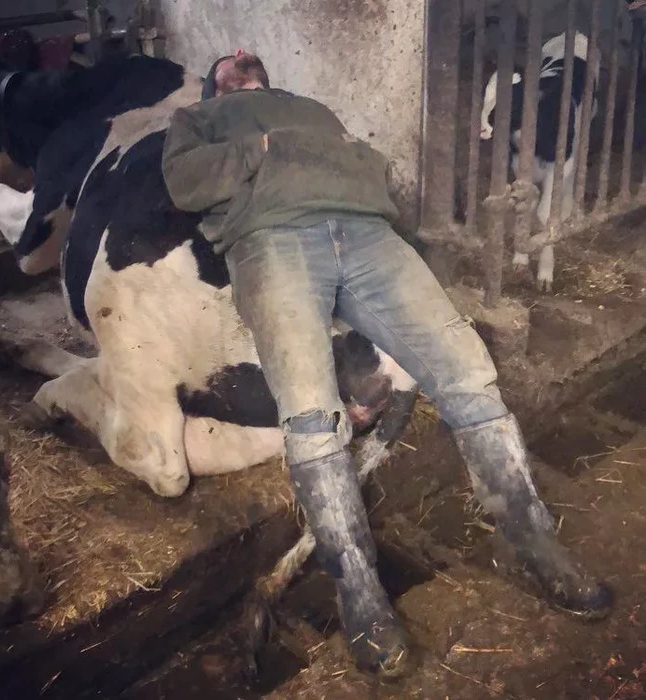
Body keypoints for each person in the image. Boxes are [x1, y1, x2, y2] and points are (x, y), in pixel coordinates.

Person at [161, 51, 613, 678]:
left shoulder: (309, 108)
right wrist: (262, 149)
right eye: (228, 61)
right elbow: (185, 183)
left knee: (466, 365)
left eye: (247, 59)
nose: (240, 58)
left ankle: (532, 542)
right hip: (273, 239)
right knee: (311, 411)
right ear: (218, 86)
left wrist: (311, 154)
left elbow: (373, 173)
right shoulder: (199, 119)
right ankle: (358, 592)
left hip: (368, 235)